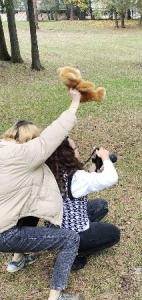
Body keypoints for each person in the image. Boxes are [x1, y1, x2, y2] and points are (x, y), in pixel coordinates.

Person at [0, 88, 85, 300]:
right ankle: (56, 296)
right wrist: (74, 103)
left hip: (5, 223)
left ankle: (17, 260)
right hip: (5, 235)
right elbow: (55, 132)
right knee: (70, 239)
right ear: (30, 141)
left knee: (32, 208)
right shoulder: (25, 154)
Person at [45, 137, 120, 271]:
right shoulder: (76, 177)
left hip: (54, 228)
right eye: (75, 148)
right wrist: (105, 157)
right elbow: (112, 178)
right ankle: (74, 252)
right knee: (114, 233)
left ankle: (72, 242)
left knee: (101, 205)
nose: (77, 150)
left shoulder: (49, 171)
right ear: (67, 153)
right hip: (72, 235)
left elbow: (83, 180)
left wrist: (96, 166)